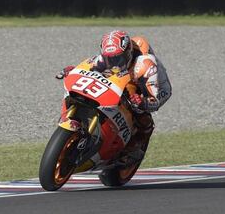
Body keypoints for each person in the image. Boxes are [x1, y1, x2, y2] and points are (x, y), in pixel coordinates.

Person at [56, 30, 172, 167]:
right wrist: (73, 70)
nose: (113, 63)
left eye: (118, 58)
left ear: (128, 53)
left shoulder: (145, 65)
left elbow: (154, 99)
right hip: (124, 76)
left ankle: (134, 150)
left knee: (140, 112)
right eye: (109, 59)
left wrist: (143, 102)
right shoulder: (105, 57)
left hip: (151, 86)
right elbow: (89, 66)